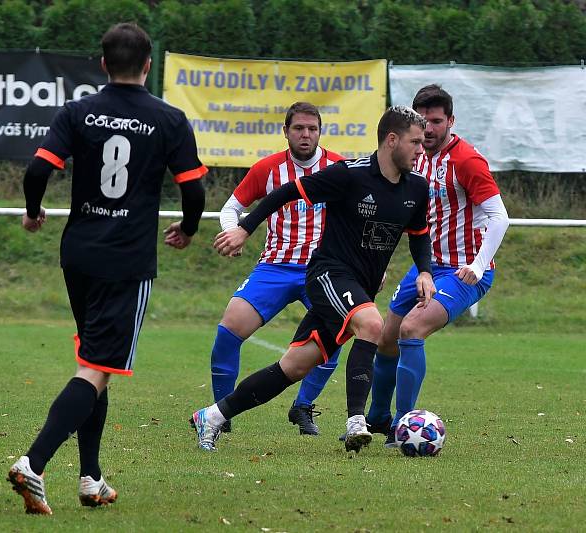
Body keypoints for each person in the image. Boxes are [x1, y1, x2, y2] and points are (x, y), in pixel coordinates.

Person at [7, 23, 207, 514]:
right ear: (147, 65)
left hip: (79, 253)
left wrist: (34, 212)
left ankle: (91, 478)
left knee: (96, 363)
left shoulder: (77, 112)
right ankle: (32, 464)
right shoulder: (169, 118)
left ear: (102, 64)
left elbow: (37, 170)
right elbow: (194, 189)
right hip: (126, 260)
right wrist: (188, 228)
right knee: (98, 367)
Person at [191, 106, 435, 453]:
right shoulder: (349, 175)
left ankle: (213, 416)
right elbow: (283, 193)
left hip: (359, 286)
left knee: (292, 366)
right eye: (415, 142)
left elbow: (419, 234)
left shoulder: (417, 187)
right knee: (371, 325)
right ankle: (356, 421)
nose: (421, 150)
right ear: (392, 140)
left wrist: (424, 270)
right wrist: (245, 228)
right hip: (327, 274)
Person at [365, 85, 510, 446]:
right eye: (422, 121)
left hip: (464, 272)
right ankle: (378, 418)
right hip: (427, 267)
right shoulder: (414, 156)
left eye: (436, 121)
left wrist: (477, 265)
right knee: (386, 338)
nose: (428, 129)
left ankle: (403, 428)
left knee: (411, 330)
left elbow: (500, 216)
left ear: (450, 121)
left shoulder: (466, 161)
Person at [208, 102, 344, 437]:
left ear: (320, 132)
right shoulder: (267, 169)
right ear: (286, 131)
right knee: (228, 331)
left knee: (334, 338)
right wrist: (232, 232)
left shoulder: (339, 168)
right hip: (275, 266)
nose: (305, 135)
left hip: (322, 270)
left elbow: (358, 219)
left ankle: (302, 407)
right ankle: (220, 413)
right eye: (298, 128)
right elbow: (232, 207)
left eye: (312, 129)